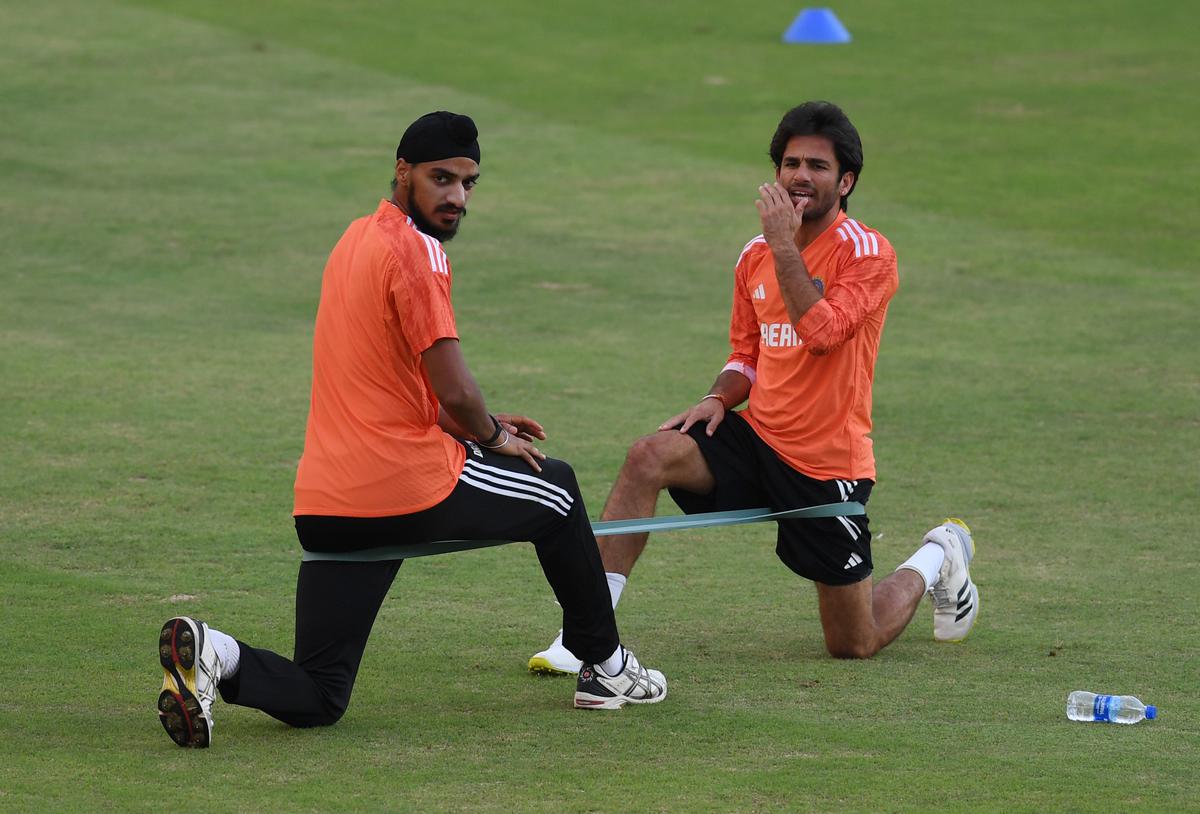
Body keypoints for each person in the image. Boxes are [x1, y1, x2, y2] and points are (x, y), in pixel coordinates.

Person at [156, 111, 666, 749]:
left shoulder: (353, 241)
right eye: (441, 178)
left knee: (321, 694)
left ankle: (217, 654)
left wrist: (479, 422)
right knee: (557, 490)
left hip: (326, 504)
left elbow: (407, 384)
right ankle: (608, 671)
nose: (456, 196)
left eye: (469, 183)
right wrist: (492, 436)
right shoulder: (417, 252)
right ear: (403, 172)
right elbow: (452, 387)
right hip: (404, 488)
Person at [529, 101, 979, 674]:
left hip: (825, 463)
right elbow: (747, 355)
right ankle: (585, 636)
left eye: (817, 165)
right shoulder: (754, 255)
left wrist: (785, 246)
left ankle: (938, 553)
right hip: (758, 438)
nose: (799, 175)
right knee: (649, 456)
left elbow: (821, 334)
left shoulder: (868, 254)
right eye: (790, 163)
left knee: (853, 641)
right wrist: (718, 395)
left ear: (846, 182)